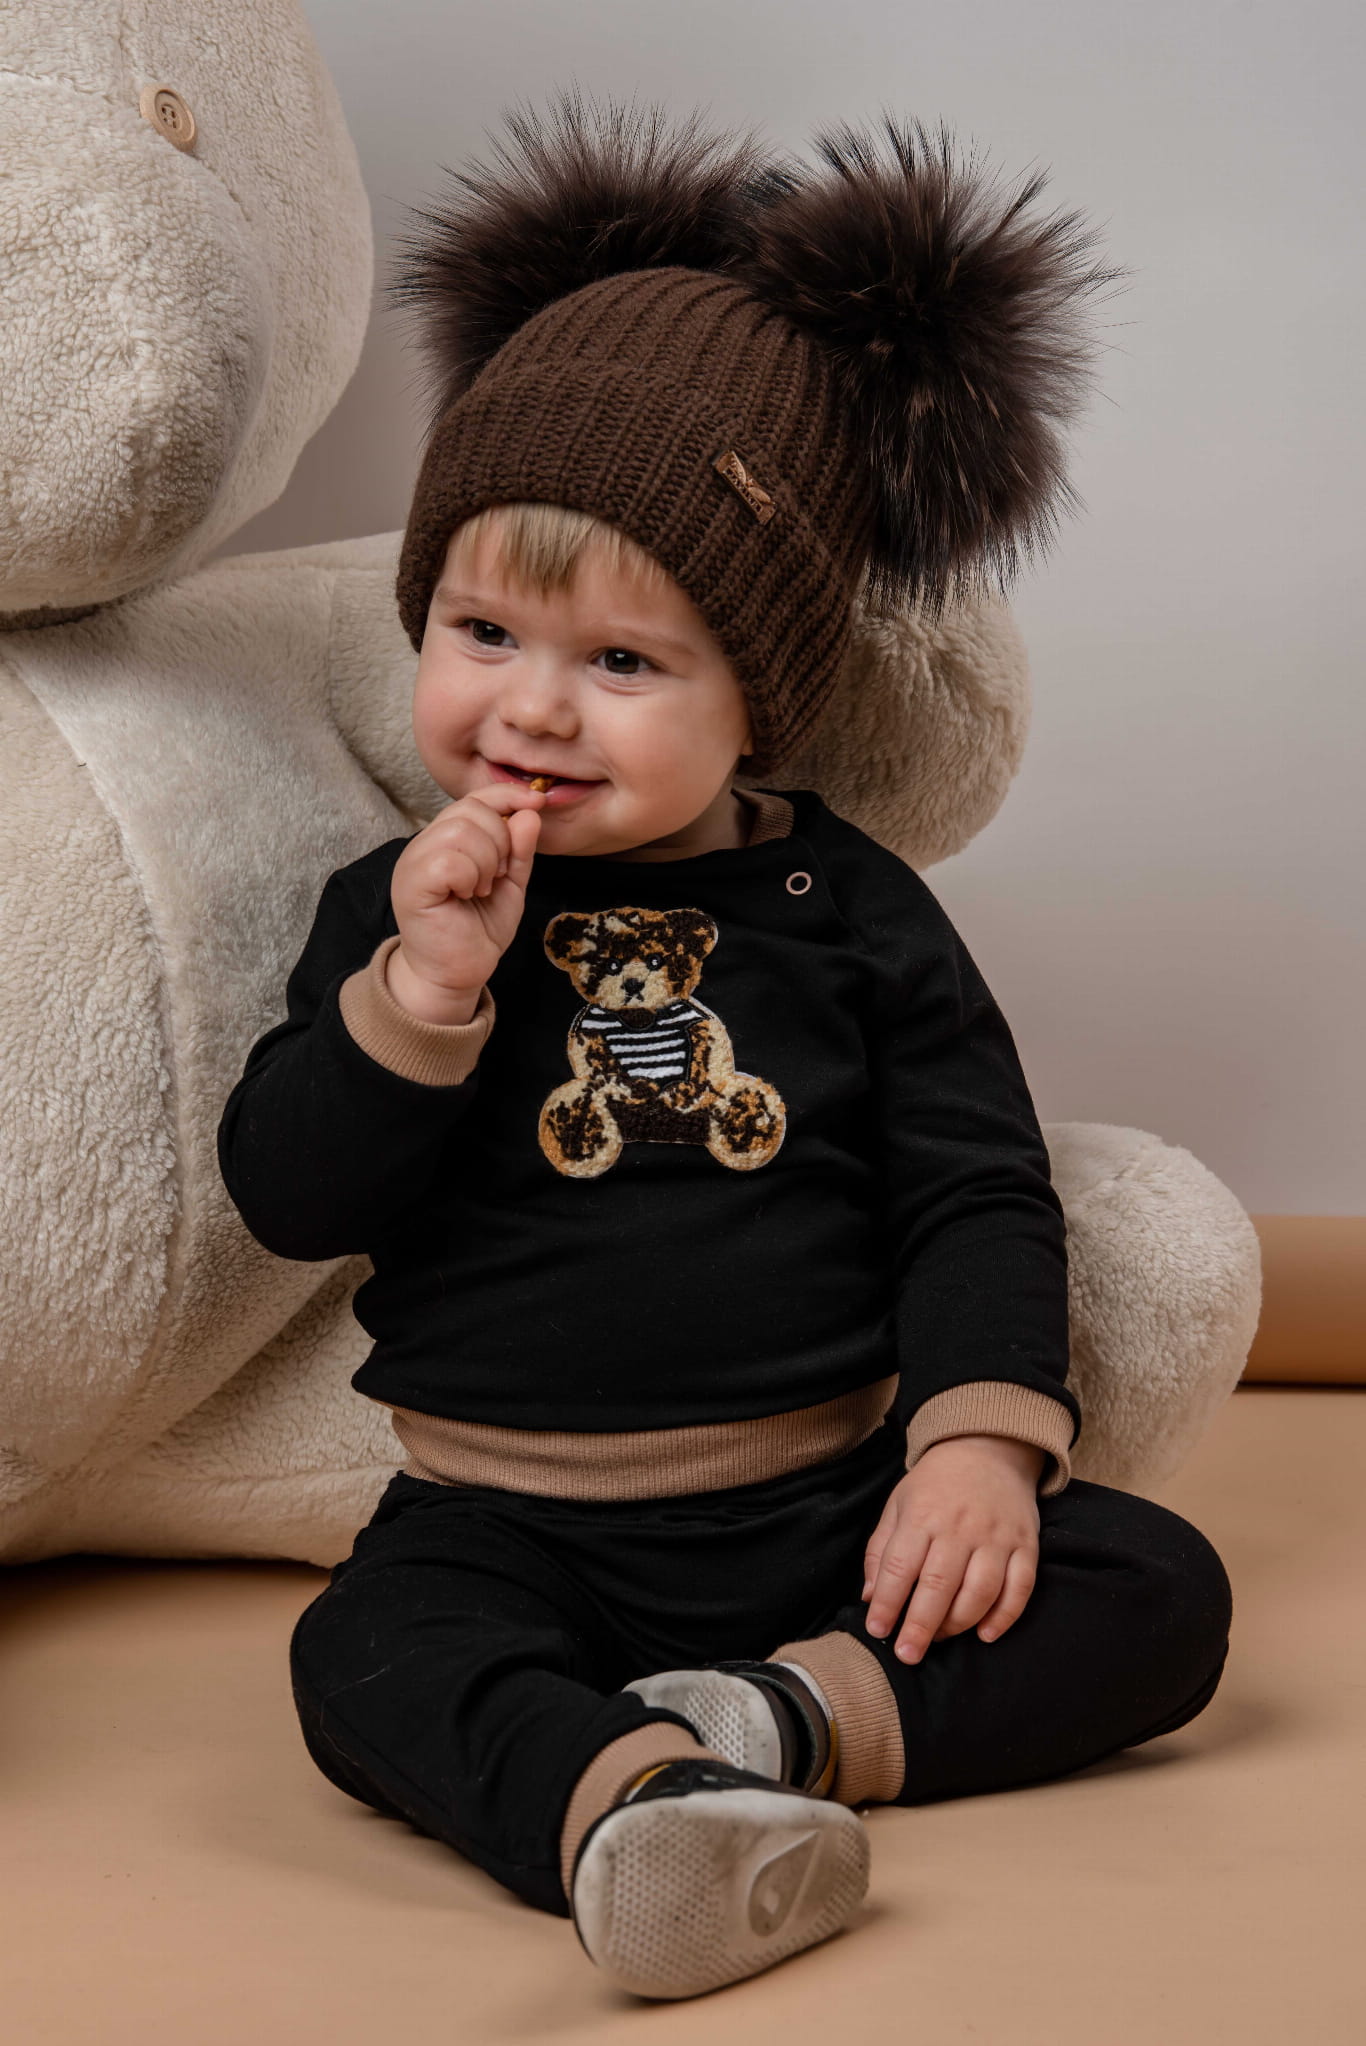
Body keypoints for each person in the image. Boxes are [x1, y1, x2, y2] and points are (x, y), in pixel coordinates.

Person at [217, 97, 1232, 2000]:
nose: (532, 708)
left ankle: (764, 1724)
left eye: (621, 662)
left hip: (820, 1517)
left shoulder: (848, 912)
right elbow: (287, 1196)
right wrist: (421, 1000)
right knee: (357, 1664)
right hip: (500, 1523)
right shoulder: (401, 908)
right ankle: (628, 1806)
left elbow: (971, 1187)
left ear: (756, 692)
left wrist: (974, 1449)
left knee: (1156, 1591)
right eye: (482, 629)